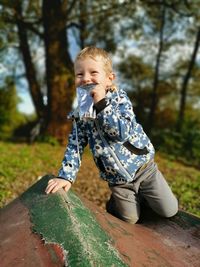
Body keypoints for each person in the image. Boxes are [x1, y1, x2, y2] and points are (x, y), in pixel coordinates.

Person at [45, 46, 178, 224]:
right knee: (130, 219)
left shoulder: (119, 100)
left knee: (169, 210)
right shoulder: (80, 115)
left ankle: (144, 196)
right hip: (118, 180)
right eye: (79, 74)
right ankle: (116, 203)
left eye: (93, 72)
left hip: (144, 169)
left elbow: (121, 133)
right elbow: (75, 146)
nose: (86, 78)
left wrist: (102, 106)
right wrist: (65, 176)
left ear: (109, 79)